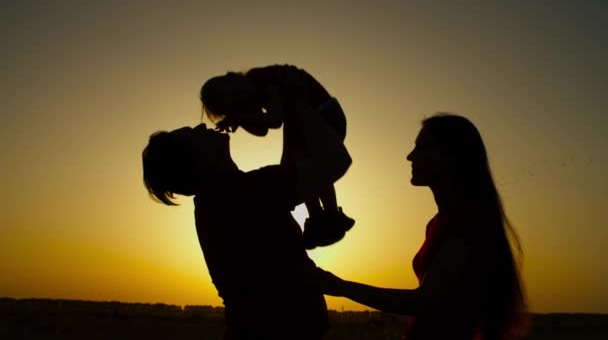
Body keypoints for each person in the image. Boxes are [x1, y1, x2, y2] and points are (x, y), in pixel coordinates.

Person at [141, 75, 352, 339]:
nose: (200, 126)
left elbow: (292, 166)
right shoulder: (244, 193)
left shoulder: (220, 199)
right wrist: (295, 99)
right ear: (197, 162)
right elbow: (336, 160)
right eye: (193, 134)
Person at [313, 113, 528, 339]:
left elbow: (422, 302)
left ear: (450, 156)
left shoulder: (467, 222)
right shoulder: (439, 223)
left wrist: (340, 286)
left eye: (422, 148)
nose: (410, 156)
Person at [200, 64, 354, 250]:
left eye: (234, 92)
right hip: (306, 124)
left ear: (233, 77)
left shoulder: (259, 77)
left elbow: (275, 120)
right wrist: (240, 119)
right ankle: (320, 218)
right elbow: (262, 130)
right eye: (233, 101)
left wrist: (241, 118)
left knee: (307, 165)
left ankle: (329, 215)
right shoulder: (251, 95)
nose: (239, 97)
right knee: (301, 165)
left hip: (324, 113)